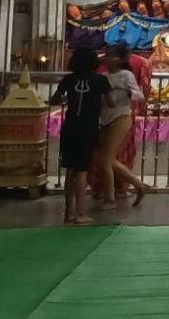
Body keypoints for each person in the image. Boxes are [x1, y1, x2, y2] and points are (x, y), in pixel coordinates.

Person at [50, 48, 109, 225]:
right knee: (82, 169)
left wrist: (68, 99)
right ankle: (81, 213)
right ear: (94, 63)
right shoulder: (100, 80)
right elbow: (111, 102)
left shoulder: (69, 79)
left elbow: (54, 100)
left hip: (70, 126)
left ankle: (68, 213)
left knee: (70, 169)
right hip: (88, 127)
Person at [94, 46, 152, 208]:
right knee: (103, 158)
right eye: (107, 56)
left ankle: (110, 199)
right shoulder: (103, 76)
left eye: (111, 56)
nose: (107, 58)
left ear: (119, 59)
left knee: (105, 159)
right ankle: (137, 184)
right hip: (105, 118)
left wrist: (123, 90)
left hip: (120, 116)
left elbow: (139, 95)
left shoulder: (126, 75)